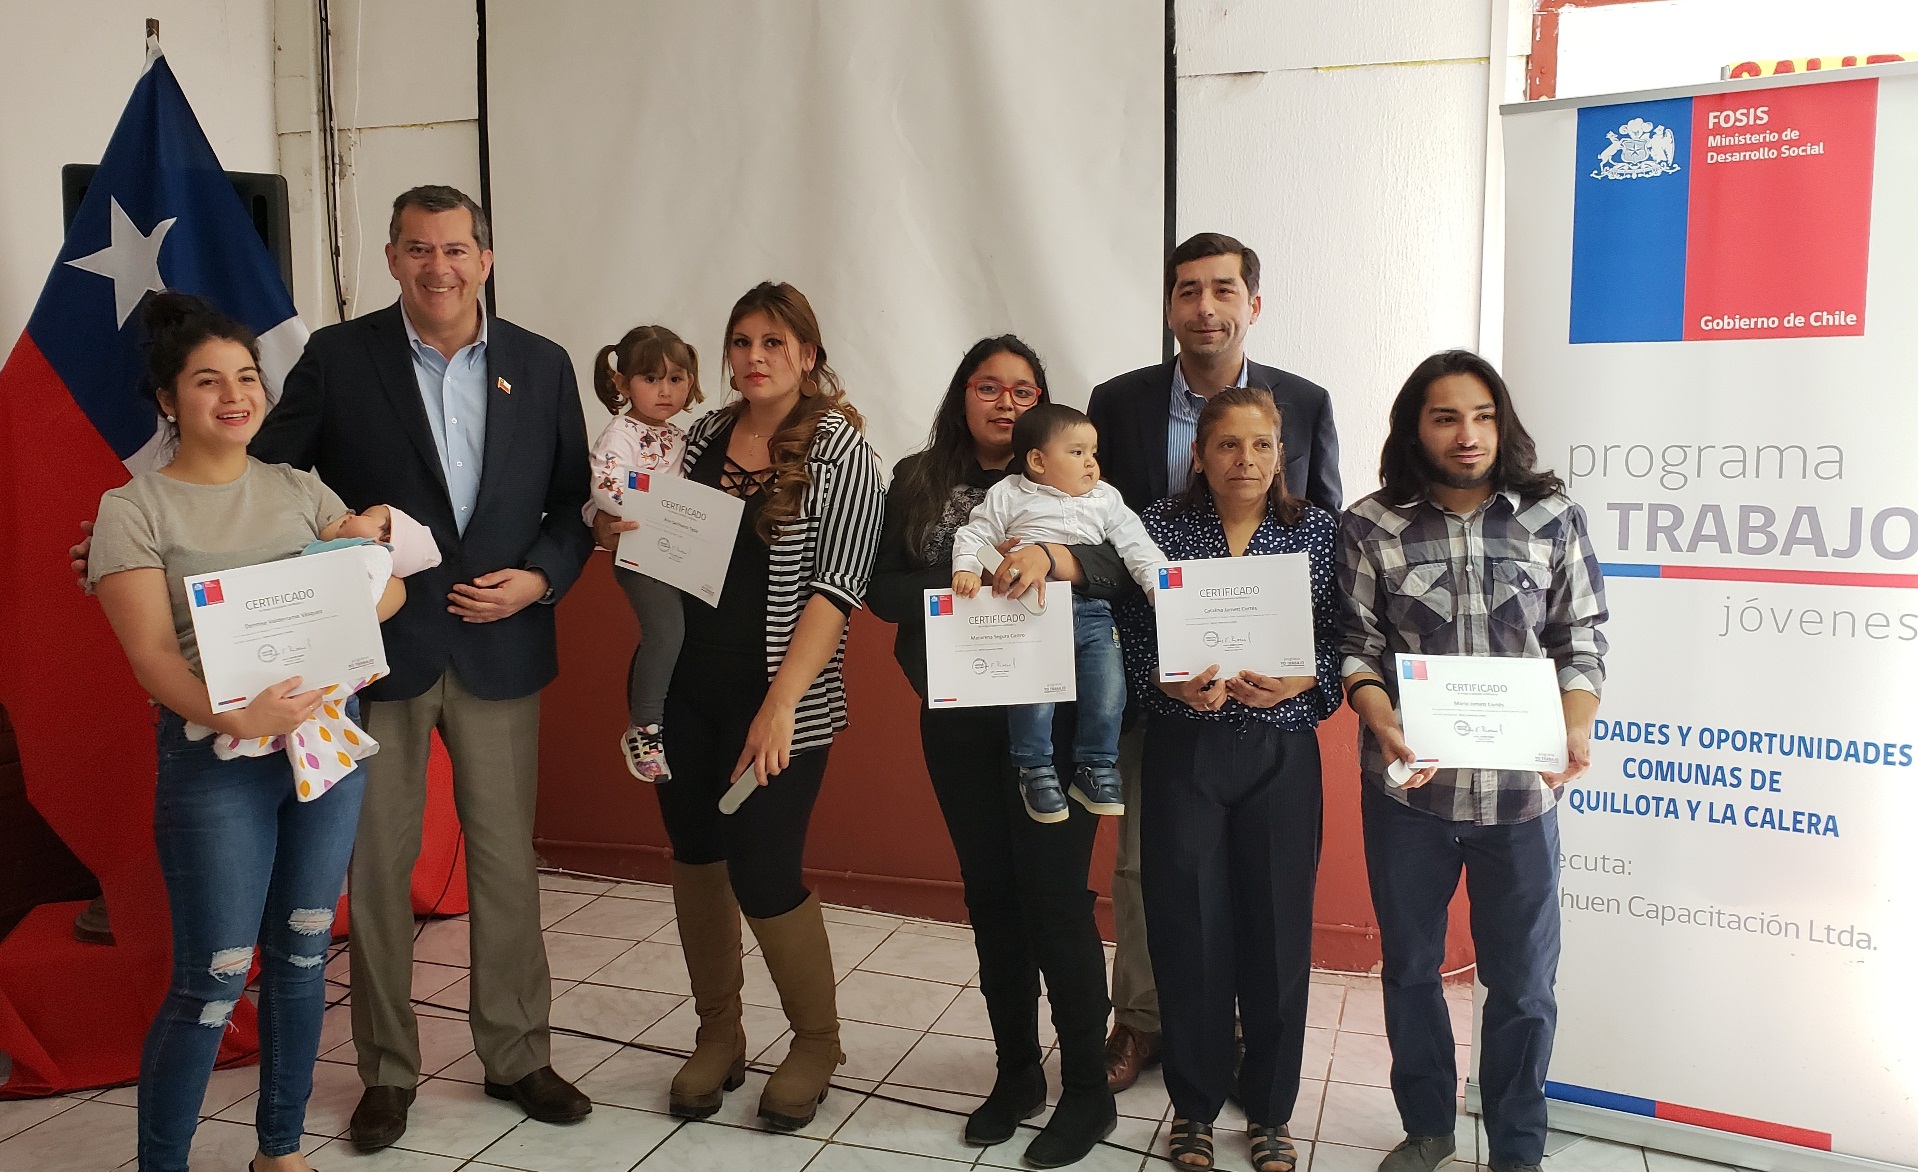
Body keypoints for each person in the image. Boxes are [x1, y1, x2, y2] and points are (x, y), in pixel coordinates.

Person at [256, 186, 595, 1148]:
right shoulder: (338, 356)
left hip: (502, 645)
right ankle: (387, 1073)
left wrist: (540, 580)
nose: (437, 266)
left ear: (485, 258)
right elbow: (276, 480)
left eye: (455, 248)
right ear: (395, 260)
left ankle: (518, 1052)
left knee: (503, 867)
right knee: (380, 872)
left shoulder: (542, 363)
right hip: (375, 655)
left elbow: (571, 506)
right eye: (416, 249)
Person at [86, 293, 406, 1172]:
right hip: (215, 765)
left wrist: (360, 563)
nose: (235, 395)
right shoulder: (134, 510)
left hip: (323, 756)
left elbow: (385, 597)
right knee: (215, 977)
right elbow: (152, 657)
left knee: (304, 955)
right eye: (207, 381)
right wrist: (236, 715)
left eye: (246, 378)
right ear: (167, 399)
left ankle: (281, 1152)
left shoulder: (301, 490)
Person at [593, 282, 884, 1130]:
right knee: (695, 856)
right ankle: (718, 1033)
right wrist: (616, 525)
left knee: (762, 867)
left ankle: (818, 1041)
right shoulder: (703, 433)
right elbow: (649, 525)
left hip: (780, 700)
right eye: (742, 341)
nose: (755, 357)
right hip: (688, 691)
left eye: (775, 343)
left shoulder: (842, 455)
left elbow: (835, 594)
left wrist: (780, 707)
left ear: (808, 355)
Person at [1337, 351, 1607, 1172]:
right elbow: (1357, 650)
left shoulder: (1551, 518)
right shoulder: (1371, 524)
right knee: (1413, 973)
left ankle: (1517, 1148)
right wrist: (1381, 721)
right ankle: (1428, 1128)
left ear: (1504, 422)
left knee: (1523, 989)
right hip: (1410, 798)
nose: (1468, 434)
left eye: (1483, 415)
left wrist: (1574, 729)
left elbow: (1582, 640)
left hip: (1522, 801)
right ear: (1415, 428)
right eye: (1447, 416)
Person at [1087, 231, 1343, 1092]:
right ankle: (1148, 1022)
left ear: (1251, 305)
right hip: (1163, 700)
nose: (1205, 307)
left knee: (1260, 894)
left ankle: (1242, 1041)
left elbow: (1325, 565)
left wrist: (1308, 673)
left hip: (1272, 716)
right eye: (1188, 290)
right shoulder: (1117, 404)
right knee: (1146, 869)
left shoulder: (1304, 403)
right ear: (1169, 307)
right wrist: (1155, 674)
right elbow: (1110, 554)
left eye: (1223, 289)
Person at [866, 336, 1121, 1167]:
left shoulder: (1079, 477)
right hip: (960, 719)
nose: (1005, 402)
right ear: (963, 396)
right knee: (991, 899)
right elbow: (881, 590)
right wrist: (962, 584)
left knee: (1055, 900)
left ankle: (1087, 1087)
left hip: (1052, 728)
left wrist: (1052, 558)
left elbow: (1120, 568)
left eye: (1023, 390)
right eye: (988, 386)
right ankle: (1018, 1075)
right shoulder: (918, 478)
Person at [1115, 387, 1340, 1172]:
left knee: (1277, 936)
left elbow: (1344, 641)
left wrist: (1305, 684)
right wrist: (1166, 684)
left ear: (1281, 452)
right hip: (1187, 752)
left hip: (1281, 752)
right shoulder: (1160, 528)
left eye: (1261, 445)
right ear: (1200, 454)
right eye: (1227, 446)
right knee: (1190, 932)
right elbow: (1131, 638)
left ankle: (1272, 1111)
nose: (1246, 461)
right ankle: (1195, 1107)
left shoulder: (1314, 530)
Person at [949, 403, 1165, 823]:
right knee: (1034, 697)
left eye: (1093, 452)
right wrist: (967, 570)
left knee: (1109, 690)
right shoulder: (1009, 494)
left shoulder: (1105, 499)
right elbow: (974, 534)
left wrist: (1160, 588)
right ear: (1037, 460)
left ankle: (1097, 765)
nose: (1091, 463)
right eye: (1078, 452)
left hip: (1094, 615)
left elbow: (1137, 546)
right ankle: (1034, 767)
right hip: (1033, 613)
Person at [587, 324, 703, 782]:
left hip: (677, 551)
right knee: (666, 632)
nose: (664, 391)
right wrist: (660, 513)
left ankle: (669, 721)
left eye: (676, 379)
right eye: (651, 379)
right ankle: (644, 728)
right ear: (622, 383)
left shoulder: (681, 435)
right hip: (638, 550)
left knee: (683, 632)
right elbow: (607, 488)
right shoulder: (621, 432)